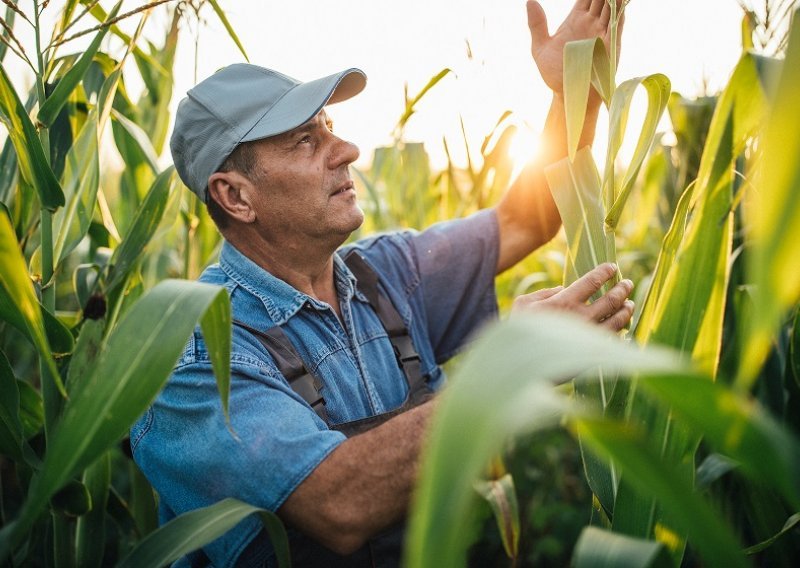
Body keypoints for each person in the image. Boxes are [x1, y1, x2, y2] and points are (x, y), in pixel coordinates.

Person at [131, 1, 633, 566]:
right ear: (236, 196)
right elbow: (337, 502)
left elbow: (526, 220)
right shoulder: (198, 358)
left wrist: (573, 84)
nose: (346, 151)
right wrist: (507, 366)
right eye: (304, 141)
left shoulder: (388, 273)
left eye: (329, 129)